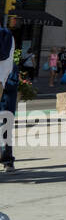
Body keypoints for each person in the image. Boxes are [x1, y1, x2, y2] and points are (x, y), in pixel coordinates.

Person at [2, 20, 18, 171]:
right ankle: (7, 159)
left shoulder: (4, 34)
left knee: (5, 123)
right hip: (7, 82)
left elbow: (3, 54)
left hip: (6, 84)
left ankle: (7, 159)